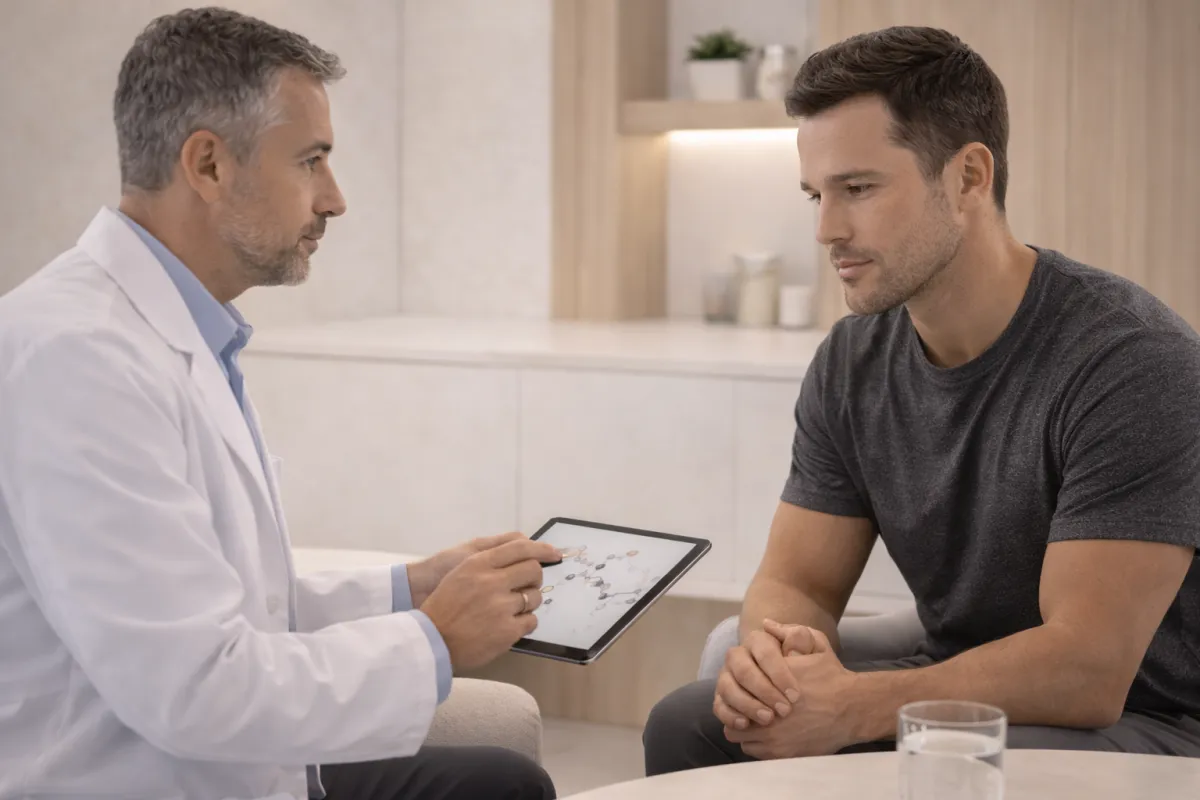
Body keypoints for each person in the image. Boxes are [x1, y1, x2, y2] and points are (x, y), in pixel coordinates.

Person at [0, 8, 557, 800]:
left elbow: (229, 604)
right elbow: (193, 688)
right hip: (137, 777)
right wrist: (432, 641)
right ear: (208, 164)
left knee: (498, 782)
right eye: (311, 161)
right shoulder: (75, 360)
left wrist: (409, 587)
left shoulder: (178, 331)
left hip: (218, 765)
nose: (334, 199)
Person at [643, 25, 1200, 774]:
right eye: (816, 194)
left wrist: (853, 705)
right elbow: (798, 581)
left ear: (969, 176)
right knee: (690, 722)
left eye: (859, 189)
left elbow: (1087, 668)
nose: (826, 229)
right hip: (952, 689)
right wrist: (783, 660)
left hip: (1150, 722)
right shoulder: (852, 361)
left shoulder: (1130, 362)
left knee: (938, 764)